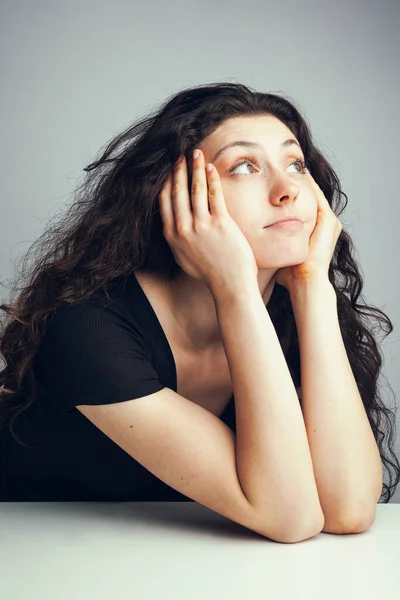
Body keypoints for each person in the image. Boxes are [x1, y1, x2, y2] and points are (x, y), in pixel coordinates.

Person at [0, 83, 398, 542]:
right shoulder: (86, 327)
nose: (288, 189)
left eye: (297, 164)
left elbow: (348, 510)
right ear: (178, 198)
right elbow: (289, 518)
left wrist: (313, 288)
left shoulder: (295, 314)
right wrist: (235, 290)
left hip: (192, 571)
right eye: (245, 167)